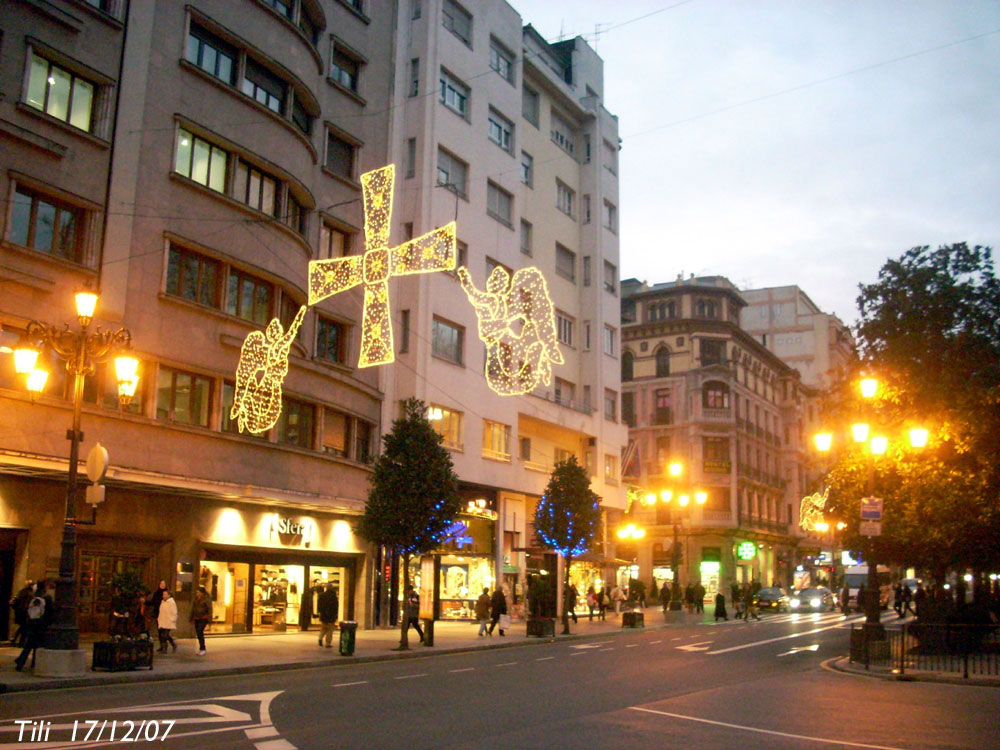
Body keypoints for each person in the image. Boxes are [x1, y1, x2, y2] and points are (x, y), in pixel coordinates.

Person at [14, 579, 53, 672]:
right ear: (45, 587)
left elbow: (26, 608)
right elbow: (50, 612)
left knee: (29, 644)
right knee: (39, 644)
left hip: (31, 622)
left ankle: (21, 662)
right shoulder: (47, 597)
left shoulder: (33, 596)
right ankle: (34, 663)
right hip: (41, 623)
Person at [9, 580, 34, 648]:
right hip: (24, 612)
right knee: (24, 627)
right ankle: (19, 641)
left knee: (23, 627)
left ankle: (16, 640)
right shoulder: (29, 593)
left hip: (20, 612)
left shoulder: (22, 592)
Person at [190, 585, 213, 656]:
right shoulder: (196, 599)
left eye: (198, 592)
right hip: (197, 618)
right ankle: (201, 648)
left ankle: (203, 648)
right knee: (198, 633)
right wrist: (191, 618)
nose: (197, 594)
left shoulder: (206, 599)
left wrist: (209, 619)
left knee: (200, 631)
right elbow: (193, 609)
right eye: (197, 592)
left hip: (203, 618)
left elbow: (210, 609)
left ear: (202, 593)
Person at [317, 583, 339, 647]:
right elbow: (335, 606)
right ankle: (328, 643)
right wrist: (336, 615)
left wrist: (320, 613)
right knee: (330, 630)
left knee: (323, 628)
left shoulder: (321, 595)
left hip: (324, 615)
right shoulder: (333, 596)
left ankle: (320, 638)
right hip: (331, 615)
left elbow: (319, 606)